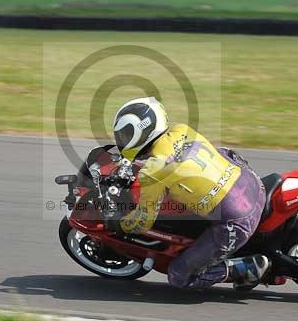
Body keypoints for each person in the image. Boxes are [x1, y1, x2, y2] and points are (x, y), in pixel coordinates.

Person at [108, 96, 269, 290]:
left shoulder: (152, 172)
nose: (122, 140)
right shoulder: (181, 130)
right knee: (222, 151)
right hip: (252, 182)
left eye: (126, 134)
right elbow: (175, 161)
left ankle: (244, 269)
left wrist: (120, 224)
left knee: (178, 276)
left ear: (141, 132)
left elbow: (143, 221)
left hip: (238, 219)